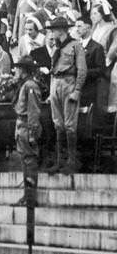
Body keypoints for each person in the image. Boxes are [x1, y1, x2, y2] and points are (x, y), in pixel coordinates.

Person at [45, 16, 87, 175]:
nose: (52, 33)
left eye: (54, 30)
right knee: (58, 123)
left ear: (62, 30)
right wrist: (51, 91)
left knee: (70, 124)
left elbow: (82, 70)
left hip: (69, 83)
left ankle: (71, 161)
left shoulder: (76, 46)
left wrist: (77, 90)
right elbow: (52, 70)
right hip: (56, 83)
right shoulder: (56, 48)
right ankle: (60, 161)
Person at [12, 57, 43, 207]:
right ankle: (27, 195)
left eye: (18, 68)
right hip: (21, 125)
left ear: (23, 70)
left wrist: (32, 133)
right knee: (25, 161)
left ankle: (31, 196)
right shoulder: (24, 85)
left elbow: (33, 112)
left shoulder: (30, 86)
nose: (15, 70)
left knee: (29, 160)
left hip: (26, 125)